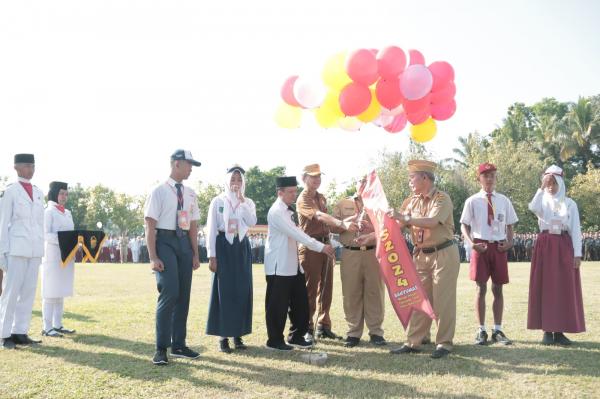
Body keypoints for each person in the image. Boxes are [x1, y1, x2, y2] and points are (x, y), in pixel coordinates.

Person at [388, 160, 460, 359]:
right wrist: (371, 236)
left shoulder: (442, 198)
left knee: (442, 301)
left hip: (443, 253)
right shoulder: (412, 200)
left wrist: (406, 218)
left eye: (413, 177)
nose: (410, 181)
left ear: (425, 178)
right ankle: (413, 342)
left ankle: (444, 343)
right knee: (419, 300)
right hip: (421, 256)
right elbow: (396, 225)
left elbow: (432, 222)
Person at [144, 149, 202, 365]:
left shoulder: (191, 194)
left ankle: (179, 344)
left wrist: (195, 253)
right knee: (170, 292)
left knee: (184, 295)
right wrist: (152, 256)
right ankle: (161, 348)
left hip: (184, 242)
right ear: (176, 164)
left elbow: (194, 225)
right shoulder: (158, 191)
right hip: (165, 241)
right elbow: (150, 226)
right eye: (189, 164)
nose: (191, 169)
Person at [264, 176, 335, 351]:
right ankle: (274, 340)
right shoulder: (276, 212)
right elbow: (298, 235)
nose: (294, 195)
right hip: (278, 266)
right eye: (290, 192)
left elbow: (296, 234)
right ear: (280, 193)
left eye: (295, 191)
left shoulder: (287, 211)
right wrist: (321, 247)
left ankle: (296, 336)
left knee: (300, 302)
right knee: (277, 305)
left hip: (293, 265)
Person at [296, 164, 357, 340]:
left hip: (325, 246)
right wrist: (342, 224)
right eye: (312, 176)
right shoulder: (304, 198)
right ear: (304, 179)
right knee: (310, 289)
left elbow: (328, 222)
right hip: (311, 247)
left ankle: (323, 325)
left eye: (318, 176)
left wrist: (348, 220)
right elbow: (320, 217)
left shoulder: (321, 198)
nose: (317, 179)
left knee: (326, 288)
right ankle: (307, 327)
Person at [460, 163, 518, 346]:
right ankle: (481, 330)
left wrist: (509, 242)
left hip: (498, 247)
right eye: (485, 175)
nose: (490, 178)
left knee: (498, 288)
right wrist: (471, 245)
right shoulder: (472, 200)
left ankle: (498, 330)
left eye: (492, 175)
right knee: (481, 288)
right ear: (479, 178)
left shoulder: (503, 200)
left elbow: (510, 224)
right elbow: (464, 225)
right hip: (480, 246)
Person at [527, 165, 585, 345]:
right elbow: (532, 207)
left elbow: (576, 230)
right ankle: (546, 331)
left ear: (560, 183)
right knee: (544, 286)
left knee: (562, 288)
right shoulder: (542, 201)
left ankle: (559, 331)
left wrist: (577, 254)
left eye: (554, 183)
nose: (551, 187)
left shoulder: (570, 204)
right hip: (545, 246)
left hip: (563, 246)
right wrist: (540, 187)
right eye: (548, 183)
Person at [206, 165, 257, 353]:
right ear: (227, 181)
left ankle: (238, 334)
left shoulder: (248, 202)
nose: (236, 183)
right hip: (223, 246)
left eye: (239, 180)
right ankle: (223, 337)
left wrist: (242, 202)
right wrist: (212, 255)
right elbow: (211, 228)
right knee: (224, 290)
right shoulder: (218, 201)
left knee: (242, 290)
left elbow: (251, 222)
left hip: (241, 245)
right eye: (233, 179)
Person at [332, 182, 386, 348]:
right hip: (350, 253)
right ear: (356, 186)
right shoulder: (342, 204)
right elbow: (332, 226)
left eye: (366, 183)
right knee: (351, 293)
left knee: (375, 292)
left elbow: (387, 228)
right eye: (360, 183)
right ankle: (353, 333)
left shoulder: (378, 204)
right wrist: (349, 221)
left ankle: (376, 332)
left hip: (373, 252)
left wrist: (372, 229)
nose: (363, 186)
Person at [0, 154, 45, 349]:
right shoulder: (10, 191)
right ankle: (4, 334)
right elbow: (2, 224)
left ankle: (20, 331)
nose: (31, 169)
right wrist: (2, 253)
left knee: (28, 292)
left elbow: (39, 223)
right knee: (11, 293)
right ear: (16, 167)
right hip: (16, 249)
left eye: (33, 166)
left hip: (34, 249)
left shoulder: (38, 192)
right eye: (27, 166)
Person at [41, 181, 77, 338]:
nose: (64, 197)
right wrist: (63, 239)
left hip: (67, 256)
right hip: (52, 256)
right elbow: (45, 234)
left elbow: (72, 233)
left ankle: (58, 324)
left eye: (66, 194)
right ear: (55, 193)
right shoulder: (48, 212)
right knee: (50, 292)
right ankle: (47, 327)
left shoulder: (68, 212)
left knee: (60, 291)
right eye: (62, 193)